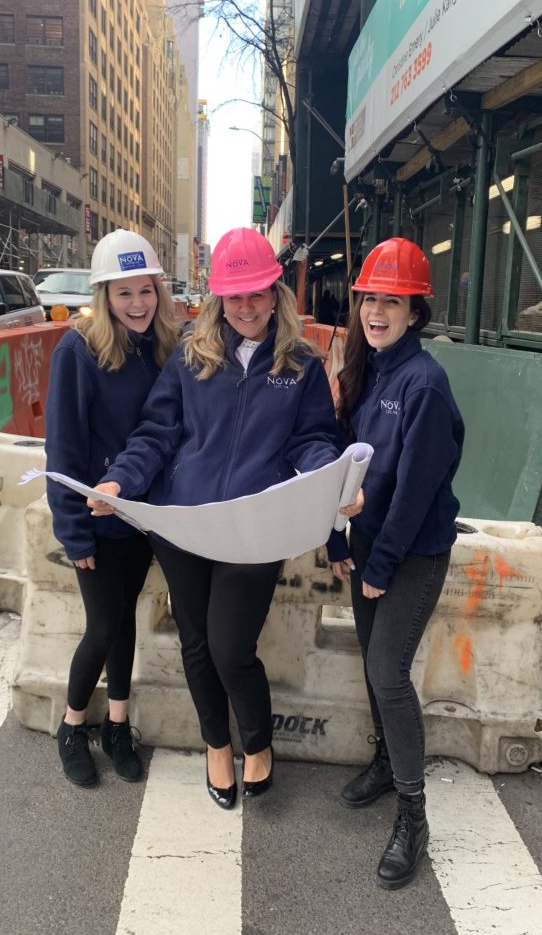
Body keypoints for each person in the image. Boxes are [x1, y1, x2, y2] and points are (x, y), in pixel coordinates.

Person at [89, 227, 361, 809]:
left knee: (230, 646)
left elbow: (312, 439)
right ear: (218, 299)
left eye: (256, 294)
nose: (246, 308)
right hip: (186, 524)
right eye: (234, 297)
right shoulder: (191, 354)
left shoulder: (301, 364)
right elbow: (157, 433)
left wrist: (332, 476)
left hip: (255, 526)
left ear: (275, 292)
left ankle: (258, 744)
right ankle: (217, 745)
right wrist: (121, 481)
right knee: (196, 643)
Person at [327, 237, 464, 889]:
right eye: (369, 299)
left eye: (393, 300)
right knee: (372, 665)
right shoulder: (367, 368)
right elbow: (342, 472)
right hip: (366, 549)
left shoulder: (424, 384)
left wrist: (379, 565)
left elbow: (413, 492)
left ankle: (414, 811)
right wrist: (335, 542)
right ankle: (385, 762)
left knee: (387, 672)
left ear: (417, 311)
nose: (377, 311)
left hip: (411, 553)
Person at [45, 229, 180, 787]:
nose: (138, 304)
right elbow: (65, 446)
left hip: (142, 519)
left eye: (145, 290)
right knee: (102, 625)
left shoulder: (164, 347)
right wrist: (74, 532)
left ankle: (118, 725)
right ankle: (74, 726)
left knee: (124, 622)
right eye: (124, 294)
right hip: (97, 520)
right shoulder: (78, 349)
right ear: (104, 296)